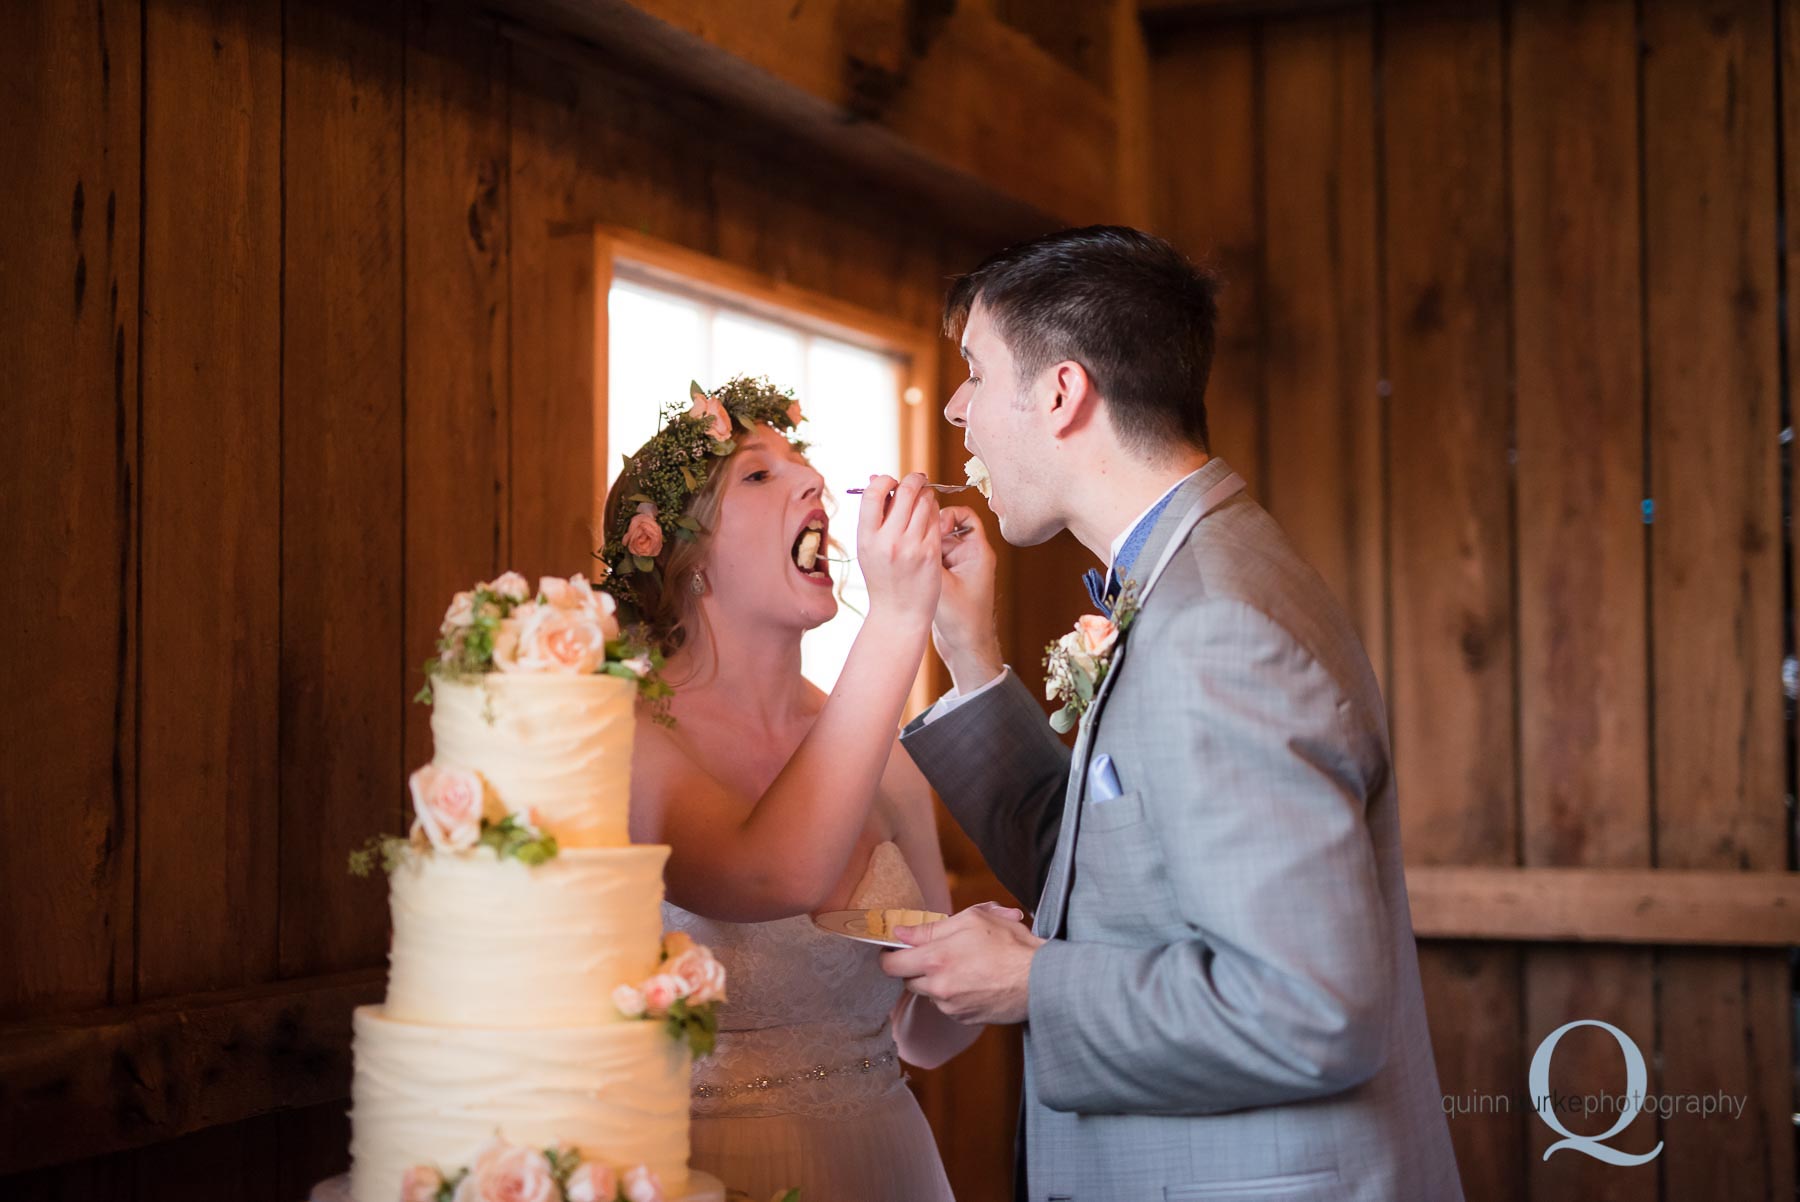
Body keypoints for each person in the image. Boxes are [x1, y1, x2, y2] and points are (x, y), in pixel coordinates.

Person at [882, 227, 1465, 1201]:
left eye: (974, 373)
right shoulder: (1189, 570)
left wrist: (1032, 984)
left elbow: (1308, 1008)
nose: (956, 410)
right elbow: (1108, 876)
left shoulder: (1216, 624)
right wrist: (970, 651)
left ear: (1062, 395)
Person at [601, 378, 976, 1202]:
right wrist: (899, 620)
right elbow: (773, 873)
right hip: (709, 1175)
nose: (811, 483)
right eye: (760, 476)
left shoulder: (888, 758)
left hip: (892, 1164)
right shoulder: (630, 735)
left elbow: (924, 1039)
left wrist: (983, 974)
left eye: (806, 466)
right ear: (682, 556)